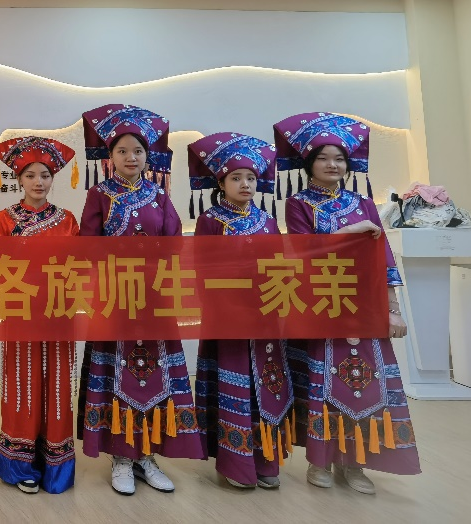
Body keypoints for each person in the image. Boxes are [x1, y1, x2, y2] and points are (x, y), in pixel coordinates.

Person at [274, 112, 420, 494]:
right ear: (309, 163)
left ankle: (354, 463)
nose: (332, 165)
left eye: (339, 158)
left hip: (363, 307)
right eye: (323, 158)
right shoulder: (298, 204)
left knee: (362, 381)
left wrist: (393, 308)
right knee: (323, 382)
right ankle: (319, 460)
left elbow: (383, 256)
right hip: (320, 304)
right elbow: (303, 252)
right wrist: (350, 230)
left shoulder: (363, 202)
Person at [77, 104, 203, 495]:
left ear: (149, 156)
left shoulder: (159, 196)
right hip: (115, 301)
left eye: (138, 151)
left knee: (155, 375)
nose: (131, 157)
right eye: (122, 151)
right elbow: (87, 247)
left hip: (154, 300)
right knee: (119, 374)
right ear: (110, 157)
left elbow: (175, 243)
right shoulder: (99, 195)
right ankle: (121, 457)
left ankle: (147, 454)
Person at [188, 132, 293, 490]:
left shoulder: (267, 220)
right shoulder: (210, 220)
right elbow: (202, 269)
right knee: (233, 384)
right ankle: (235, 464)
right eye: (236, 178)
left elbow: (280, 266)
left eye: (250, 177)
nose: (245, 184)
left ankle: (265, 460)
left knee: (266, 384)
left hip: (264, 318)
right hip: (228, 317)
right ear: (221, 183)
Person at [0, 136, 81, 495]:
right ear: (19, 179)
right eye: (30, 175)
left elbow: (78, 267)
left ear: (53, 179)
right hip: (21, 312)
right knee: (22, 387)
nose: (38, 182)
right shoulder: (4, 220)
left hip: (58, 312)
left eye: (45, 175)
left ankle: (55, 466)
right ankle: (20, 465)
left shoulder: (67, 220)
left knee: (57, 388)